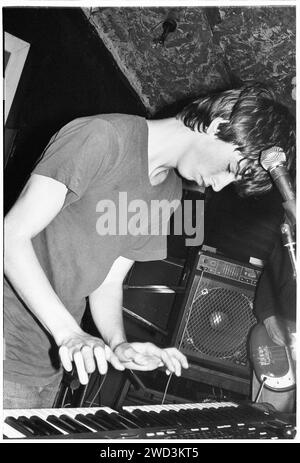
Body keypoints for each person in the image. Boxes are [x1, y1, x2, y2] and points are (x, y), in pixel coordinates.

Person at [4, 83, 295, 409]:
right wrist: (69, 333)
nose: (220, 184)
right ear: (217, 126)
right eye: (230, 169)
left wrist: (119, 344)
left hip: (49, 361)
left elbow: (109, 281)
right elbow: (10, 237)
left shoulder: (170, 191)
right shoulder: (103, 138)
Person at [251, 227, 296, 413]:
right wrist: (269, 318)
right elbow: (272, 274)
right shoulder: (294, 232)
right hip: (282, 347)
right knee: (267, 422)